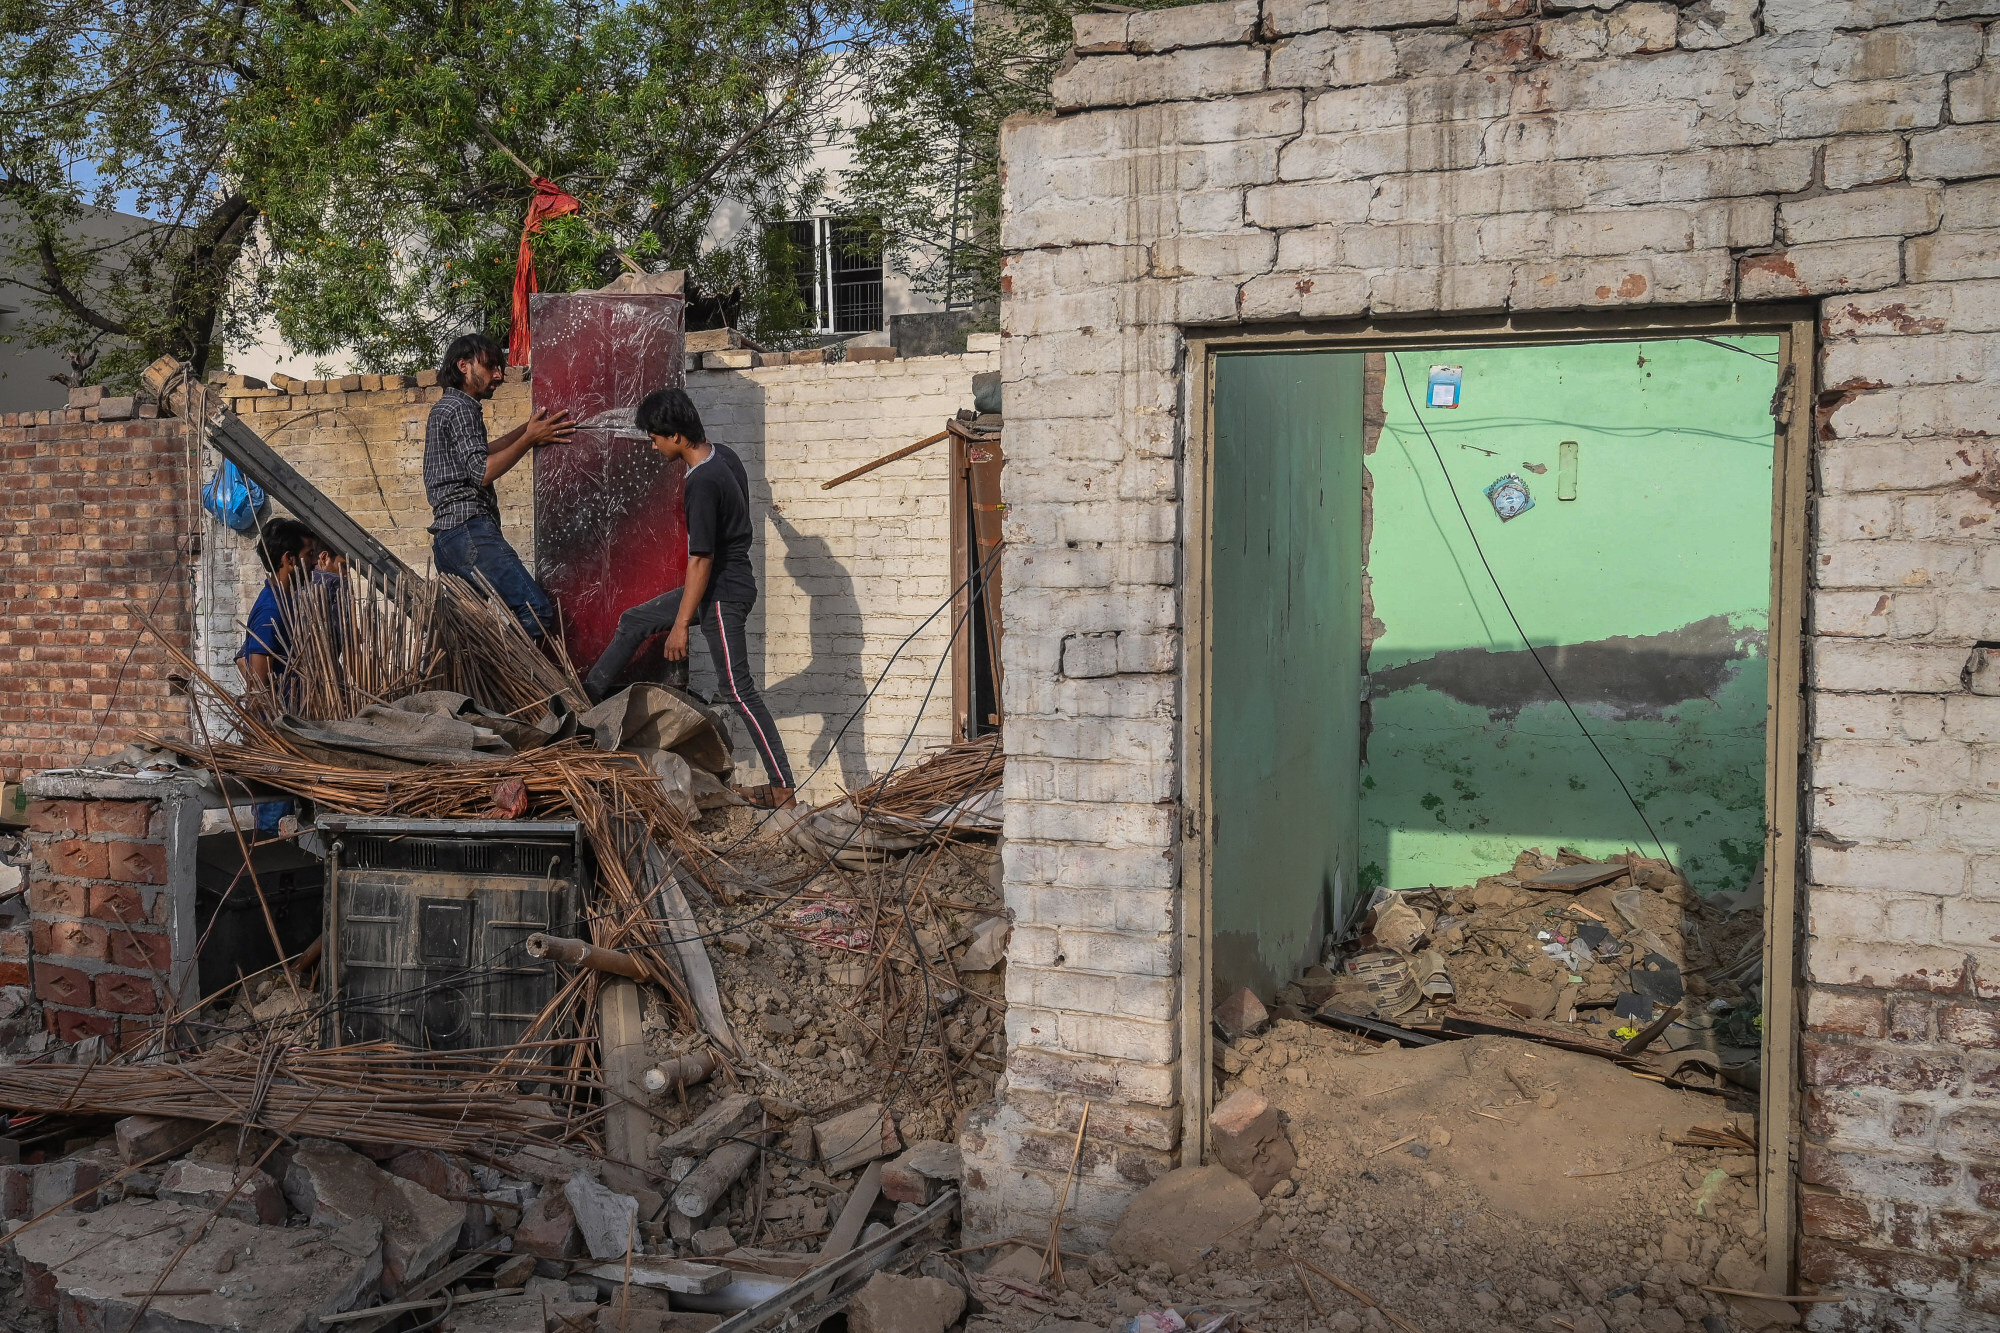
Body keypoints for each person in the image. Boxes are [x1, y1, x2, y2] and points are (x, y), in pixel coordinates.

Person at [585, 388, 796, 808]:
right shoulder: (726, 456)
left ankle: (782, 788)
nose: (653, 444)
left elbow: (701, 559)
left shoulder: (702, 481)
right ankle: (584, 701)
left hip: (722, 593)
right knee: (634, 620)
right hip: (724, 584)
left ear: (678, 436)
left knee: (738, 690)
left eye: (656, 436)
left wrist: (681, 624)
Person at [424, 331, 573, 639]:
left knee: (469, 635)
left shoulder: (447, 408)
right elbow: (482, 472)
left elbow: (483, 452)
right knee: (536, 610)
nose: (499, 375)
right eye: (490, 366)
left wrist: (528, 430)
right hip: (469, 532)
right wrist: (530, 439)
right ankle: (506, 674)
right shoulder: (462, 408)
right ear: (463, 366)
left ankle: (475, 684)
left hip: (449, 539)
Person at [237, 516, 316, 707]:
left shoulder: (285, 601)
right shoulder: (271, 610)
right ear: (289, 559)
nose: (314, 563)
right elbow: (258, 690)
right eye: (310, 554)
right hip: (279, 728)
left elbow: (241, 658)